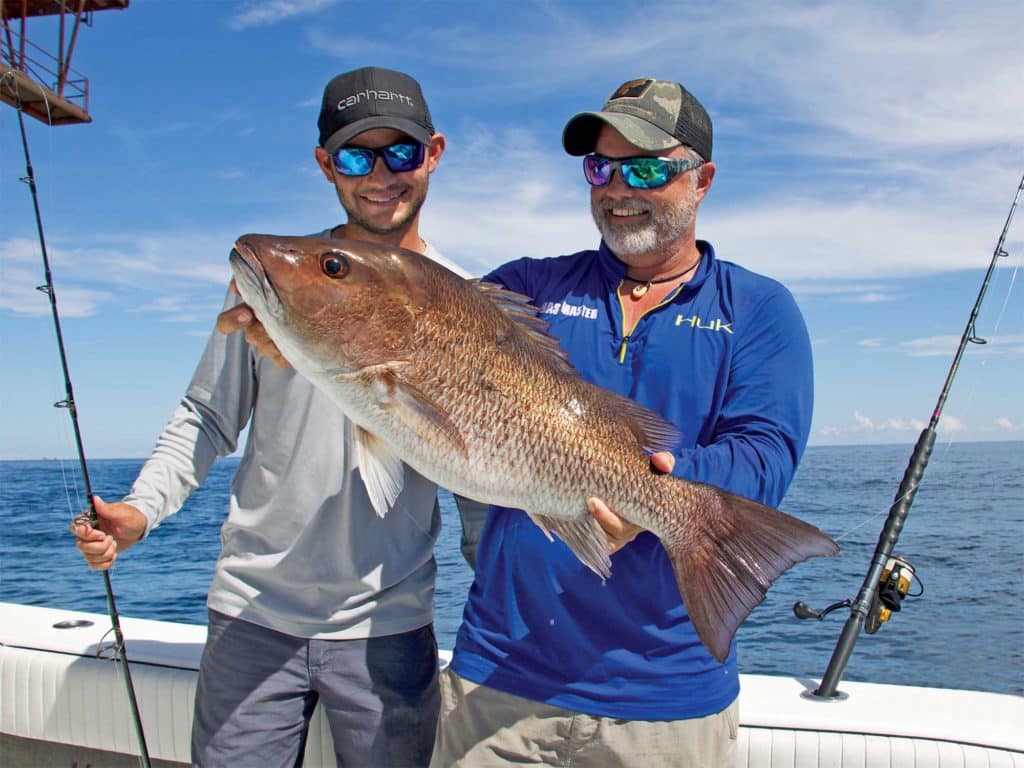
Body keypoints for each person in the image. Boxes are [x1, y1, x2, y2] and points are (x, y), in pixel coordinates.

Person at [70, 65, 466, 768]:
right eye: (354, 156)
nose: (379, 174)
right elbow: (206, 415)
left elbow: (489, 475)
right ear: (325, 166)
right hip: (253, 615)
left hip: (390, 626)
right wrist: (139, 509)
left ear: (432, 153)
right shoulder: (278, 280)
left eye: (399, 152)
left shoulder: (467, 301)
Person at [431, 78, 814, 767]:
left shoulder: (757, 309)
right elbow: (432, 341)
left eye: (644, 168)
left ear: (702, 179)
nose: (615, 188)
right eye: (599, 168)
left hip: (665, 701)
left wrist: (655, 489)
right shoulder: (528, 287)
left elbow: (765, 457)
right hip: (499, 681)